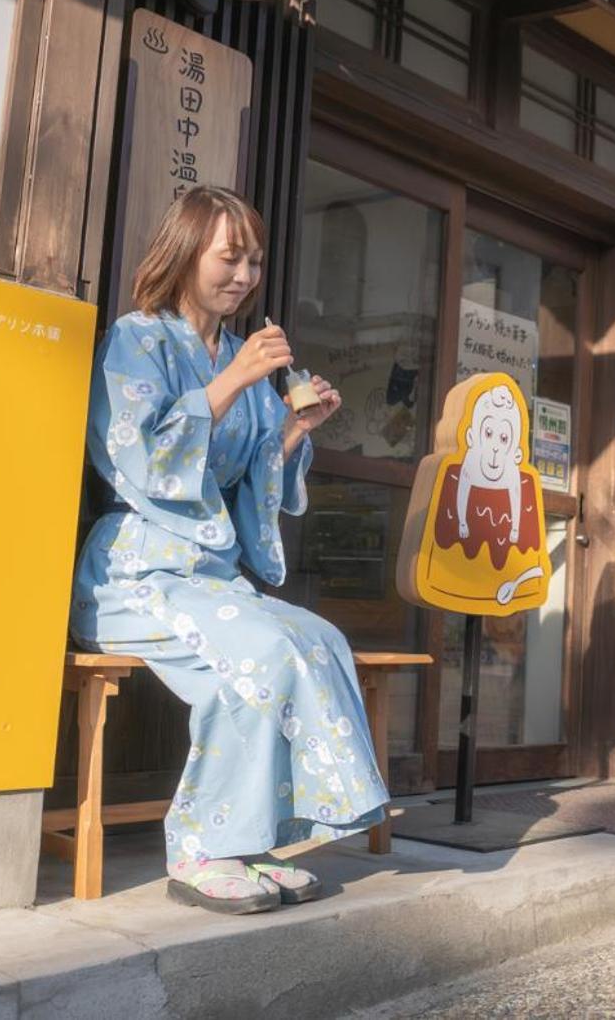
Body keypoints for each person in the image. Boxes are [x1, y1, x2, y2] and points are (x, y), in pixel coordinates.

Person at [71, 186, 387, 915]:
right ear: (185, 253)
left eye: (253, 260)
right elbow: (139, 458)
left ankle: (250, 841)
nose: (243, 276)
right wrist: (237, 379)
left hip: (208, 579)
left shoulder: (238, 363)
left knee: (316, 638)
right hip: (134, 572)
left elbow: (244, 487)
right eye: (228, 257)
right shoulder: (136, 338)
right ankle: (203, 849)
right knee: (260, 653)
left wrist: (293, 429)